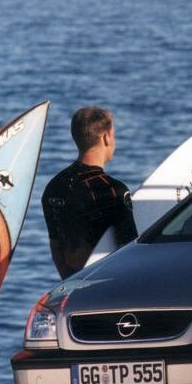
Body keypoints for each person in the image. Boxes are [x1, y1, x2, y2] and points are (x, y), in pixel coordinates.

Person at [42, 106, 137, 278]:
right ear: (106, 137)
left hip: (73, 281)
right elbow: (129, 250)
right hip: (108, 283)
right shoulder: (113, 190)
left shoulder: (54, 187)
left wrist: (69, 282)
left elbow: (56, 246)